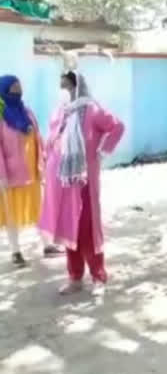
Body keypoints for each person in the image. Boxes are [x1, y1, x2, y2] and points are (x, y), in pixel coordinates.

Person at [39, 71, 124, 295]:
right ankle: (75, 277)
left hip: (85, 182)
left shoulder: (92, 110)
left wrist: (102, 151)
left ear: (77, 87)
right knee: (69, 229)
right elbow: (52, 140)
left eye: (66, 86)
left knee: (87, 229)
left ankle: (98, 277)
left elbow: (117, 127)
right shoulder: (60, 113)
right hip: (63, 183)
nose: (63, 90)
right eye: (60, 86)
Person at [0, 76, 64, 267]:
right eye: (14, 87)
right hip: (11, 176)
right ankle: (16, 252)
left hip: (32, 171)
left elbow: (38, 138)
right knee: (11, 213)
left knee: (40, 210)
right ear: (4, 90)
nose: (19, 90)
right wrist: (1, 175)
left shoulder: (27, 112)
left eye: (19, 86)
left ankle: (47, 246)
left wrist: (44, 161)